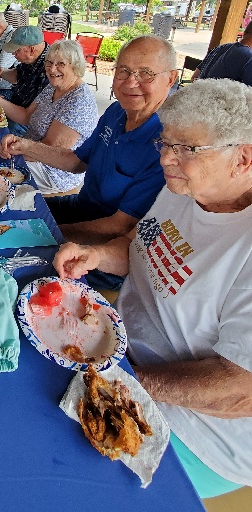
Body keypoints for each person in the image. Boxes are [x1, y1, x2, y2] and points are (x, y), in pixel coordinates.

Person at [54, 79, 252, 498]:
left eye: (185, 149)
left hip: (200, 428)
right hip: (122, 352)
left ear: (243, 158)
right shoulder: (184, 186)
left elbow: (240, 390)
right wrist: (98, 257)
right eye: (165, 142)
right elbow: (137, 247)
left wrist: (127, 382)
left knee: (59, 472)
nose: (165, 157)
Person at [0, 36, 178, 283]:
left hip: (106, 247)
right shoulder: (117, 112)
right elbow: (77, 162)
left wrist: (50, 233)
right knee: (9, 208)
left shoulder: (167, 143)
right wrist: (26, 146)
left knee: (16, 257)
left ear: (170, 79)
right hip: (81, 208)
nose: (130, 82)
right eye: (123, 71)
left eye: (145, 74)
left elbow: (119, 226)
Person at [0, 40, 97, 193]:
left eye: (61, 64)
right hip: (29, 151)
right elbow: (26, 116)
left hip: (53, 170)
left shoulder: (79, 100)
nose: (52, 69)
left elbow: (52, 149)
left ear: (75, 66)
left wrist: (15, 149)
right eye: (49, 63)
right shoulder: (52, 87)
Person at [0, 25, 50, 135]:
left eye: (16, 50)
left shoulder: (50, 70)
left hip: (30, 123)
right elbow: (18, 75)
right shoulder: (32, 57)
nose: (13, 54)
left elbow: (28, 117)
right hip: (18, 106)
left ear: (32, 50)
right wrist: (2, 72)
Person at [191, 21, 252, 86]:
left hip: (198, 93)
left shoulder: (219, 48)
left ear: (244, 32)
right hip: (219, 96)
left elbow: (194, 78)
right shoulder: (249, 58)